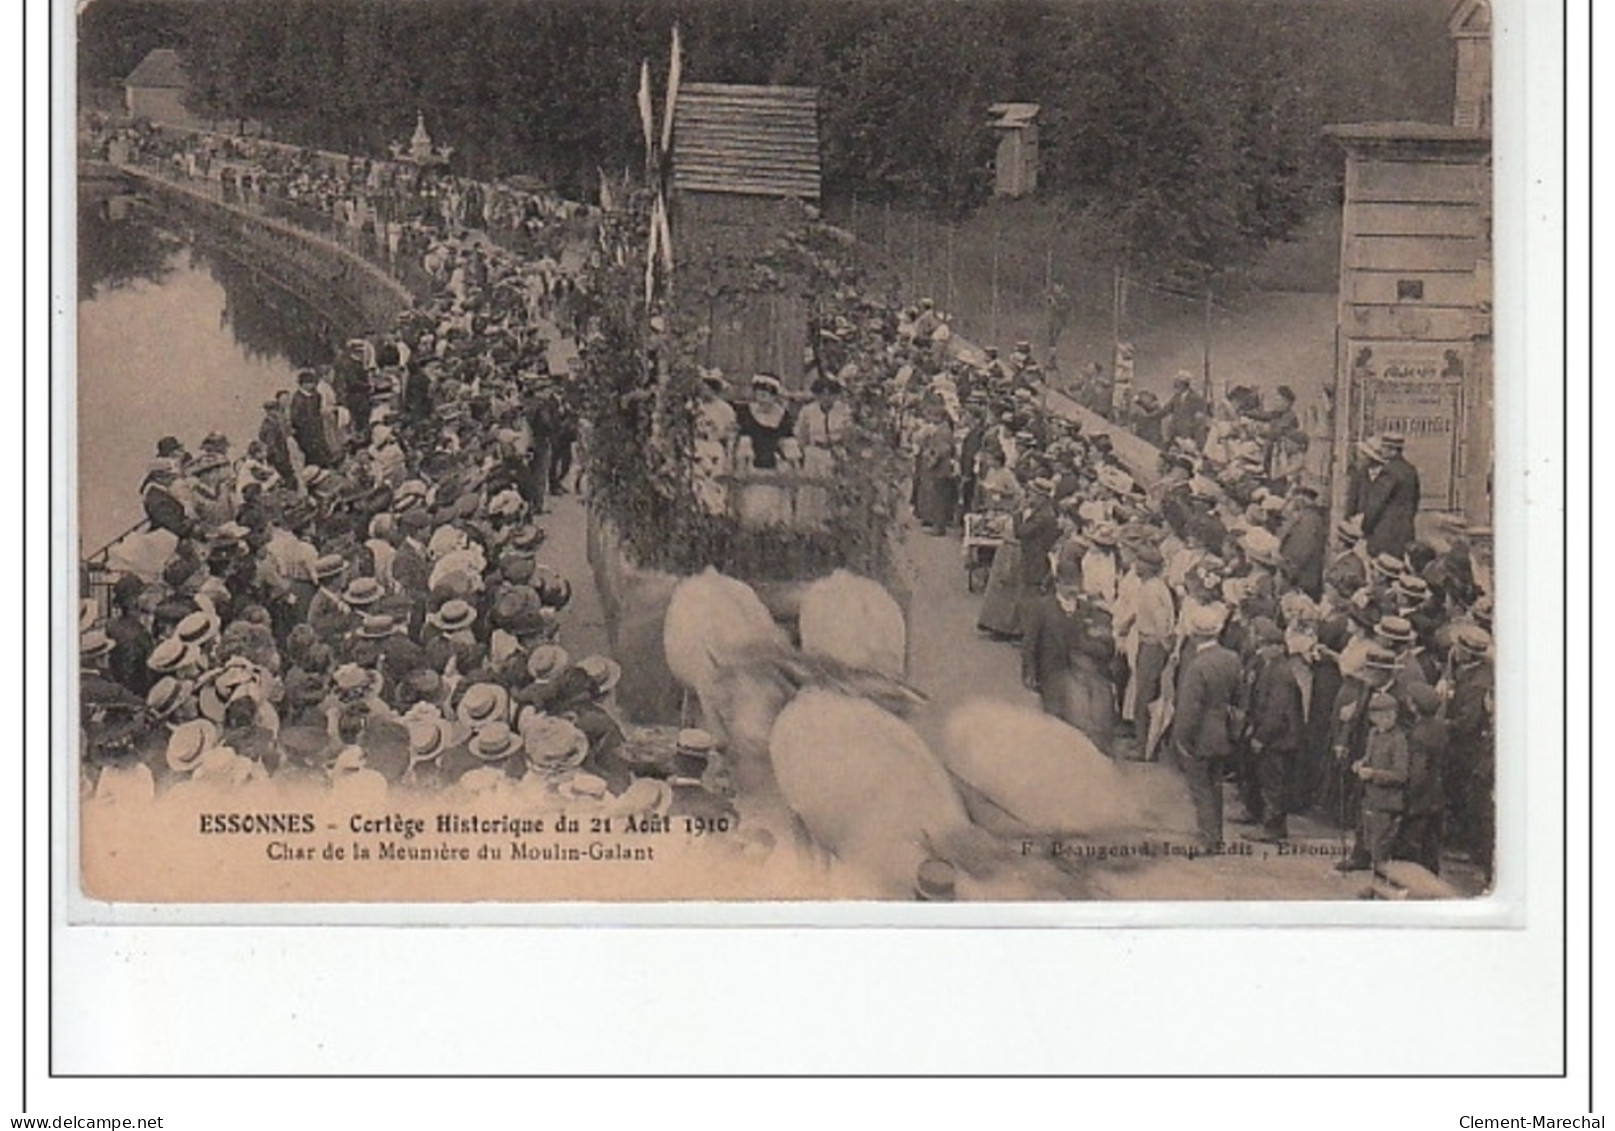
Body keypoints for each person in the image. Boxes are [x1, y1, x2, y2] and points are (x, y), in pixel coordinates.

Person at [1021, 564, 1117, 754]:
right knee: (1054, 718)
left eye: (1076, 584)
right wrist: (1029, 672)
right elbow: (1030, 642)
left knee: (1078, 721)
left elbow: (1104, 644)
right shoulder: (1042, 608)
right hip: (1051, 673)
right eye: (1068, 584)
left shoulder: (1086, 609)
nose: (1074, 589)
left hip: (1079, 676)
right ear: (1058, 584)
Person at [1171, 602, 1243, 848]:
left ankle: (1209, 836)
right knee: (1216, 784)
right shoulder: (1232, 658)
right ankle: (1217, 834)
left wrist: (1181, 738)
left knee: (1200, 786)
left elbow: (1189, 709)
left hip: (1201, 732)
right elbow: (1240, 696)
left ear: (1194, 634)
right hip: (1223, 728)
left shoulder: (1197, 666)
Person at [1339, 691, 1409, 876]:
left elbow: (1401, 775)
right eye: (1379, 716)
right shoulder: (1373, 734)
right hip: (1370, 798)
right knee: (1367, 839)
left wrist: (1373, 774)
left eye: (1389, 715)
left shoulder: (1398, 740)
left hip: (1387, 802)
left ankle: (1379, 885)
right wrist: (1361, 763)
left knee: (1381, 847)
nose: (1385, 719)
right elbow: (1369, 757)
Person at [1358, 433, 1421, 557]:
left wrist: (1364, 528)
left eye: (1385, 448)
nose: (1382, 451)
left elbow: (1375, 504)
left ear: (1392, 450)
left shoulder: (1389, 471)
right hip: (1405, 535)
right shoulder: (1410, 470)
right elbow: (1415, 501)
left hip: (1385, 535)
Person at [911, 405, 957, 535]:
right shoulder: (941, 429)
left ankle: (939, 526)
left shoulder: (943, 431)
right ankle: (936, 523)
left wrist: (932, 459)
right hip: (940, 467)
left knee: (939, 497)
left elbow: (943, 449)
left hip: (941, 468)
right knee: (937, 495)